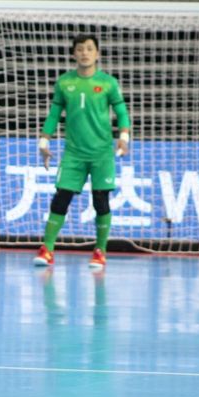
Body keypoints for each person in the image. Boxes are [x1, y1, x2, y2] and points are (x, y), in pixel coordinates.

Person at [33, 33, 131, 270]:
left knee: (101, 201)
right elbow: (55, 113)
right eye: (80, 49)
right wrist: (44, 141)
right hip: (73, 154)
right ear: (74, 54)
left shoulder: (108, 82)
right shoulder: (64, 82)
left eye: (89, 48)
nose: (84, 52)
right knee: (61, 199)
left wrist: (124, 137)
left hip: (101, 154)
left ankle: (100, 251)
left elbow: (121, 111)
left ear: (97, 53)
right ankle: (47, 249)